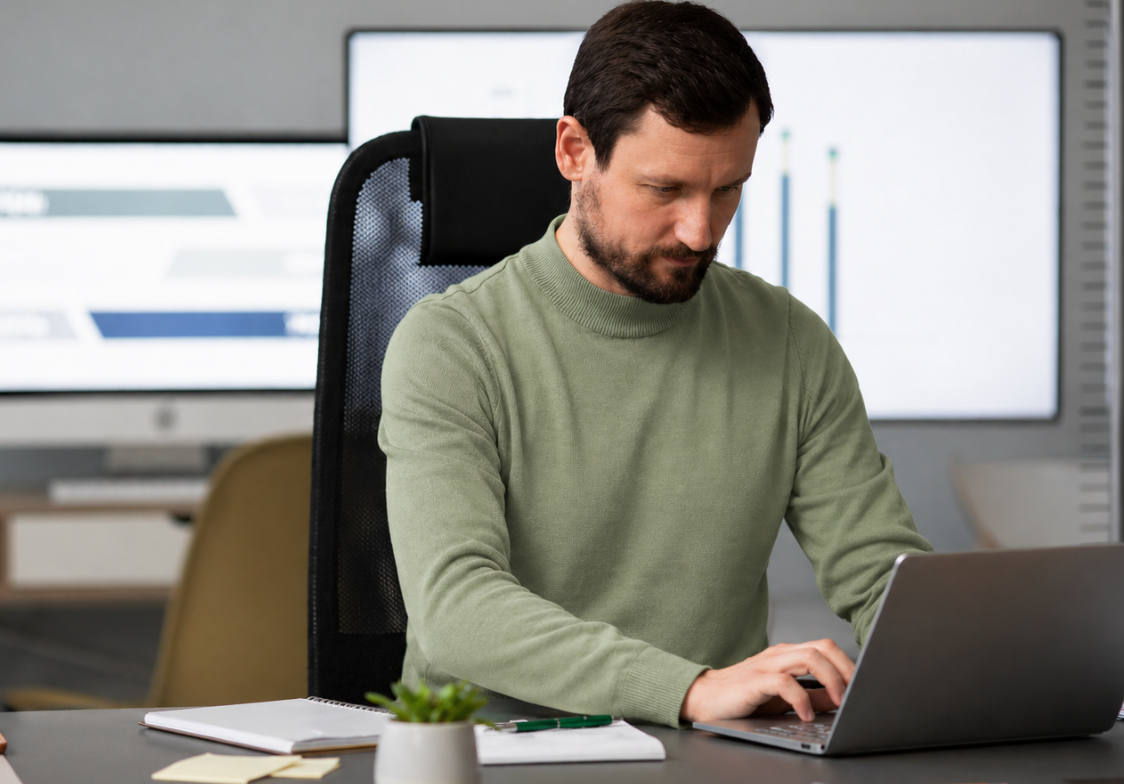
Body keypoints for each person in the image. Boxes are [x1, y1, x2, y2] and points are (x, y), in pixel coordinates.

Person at [378, 0, 932, 728]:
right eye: (664, 190)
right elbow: (457, 608)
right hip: (502, 758)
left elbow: (880, 574)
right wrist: (691, 689)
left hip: (716, 762)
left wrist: (975, 665)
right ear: (575, 152)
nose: (700, 230)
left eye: (727, 188)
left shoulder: (788, 340)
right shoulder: (451, 343)